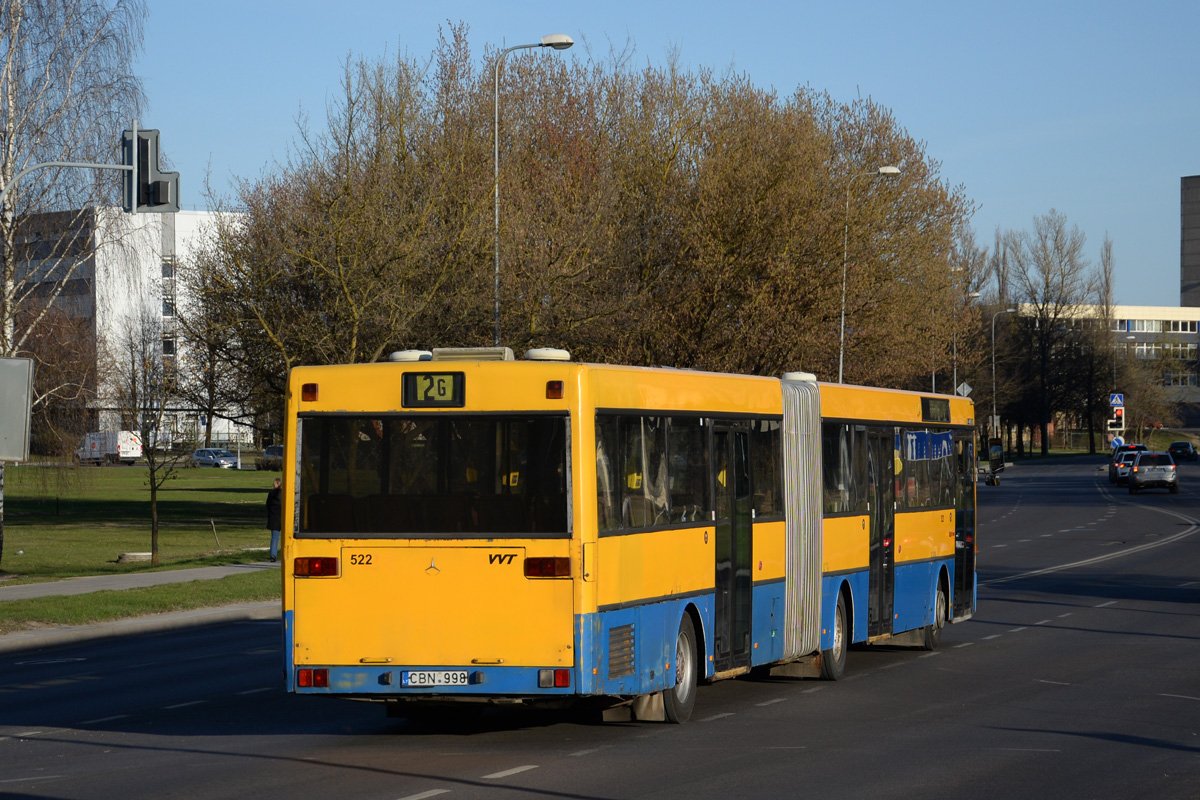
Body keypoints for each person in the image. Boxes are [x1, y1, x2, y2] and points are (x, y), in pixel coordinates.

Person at [266, 477, 282, 562]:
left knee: (274, 538)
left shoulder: (271, 494)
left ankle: (273, 554)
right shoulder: (283, 494)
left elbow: (267, 505)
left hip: (274, 518)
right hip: (283, 518)